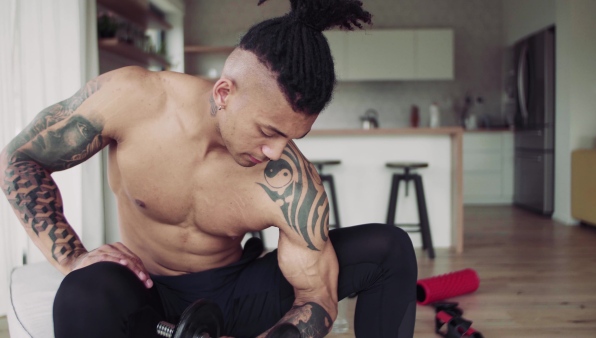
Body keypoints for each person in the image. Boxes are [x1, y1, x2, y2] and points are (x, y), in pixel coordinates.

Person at [0, 0, 418, 337]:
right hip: (146, 286)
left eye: (291, 138)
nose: (276, 151)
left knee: (390, 248)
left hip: (233, 294)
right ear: (224, 93)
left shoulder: (292, 185)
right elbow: (20, 158)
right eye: (268, 131)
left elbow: (317, 298)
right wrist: (72, 258)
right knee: (83, 292)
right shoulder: (133, 99)